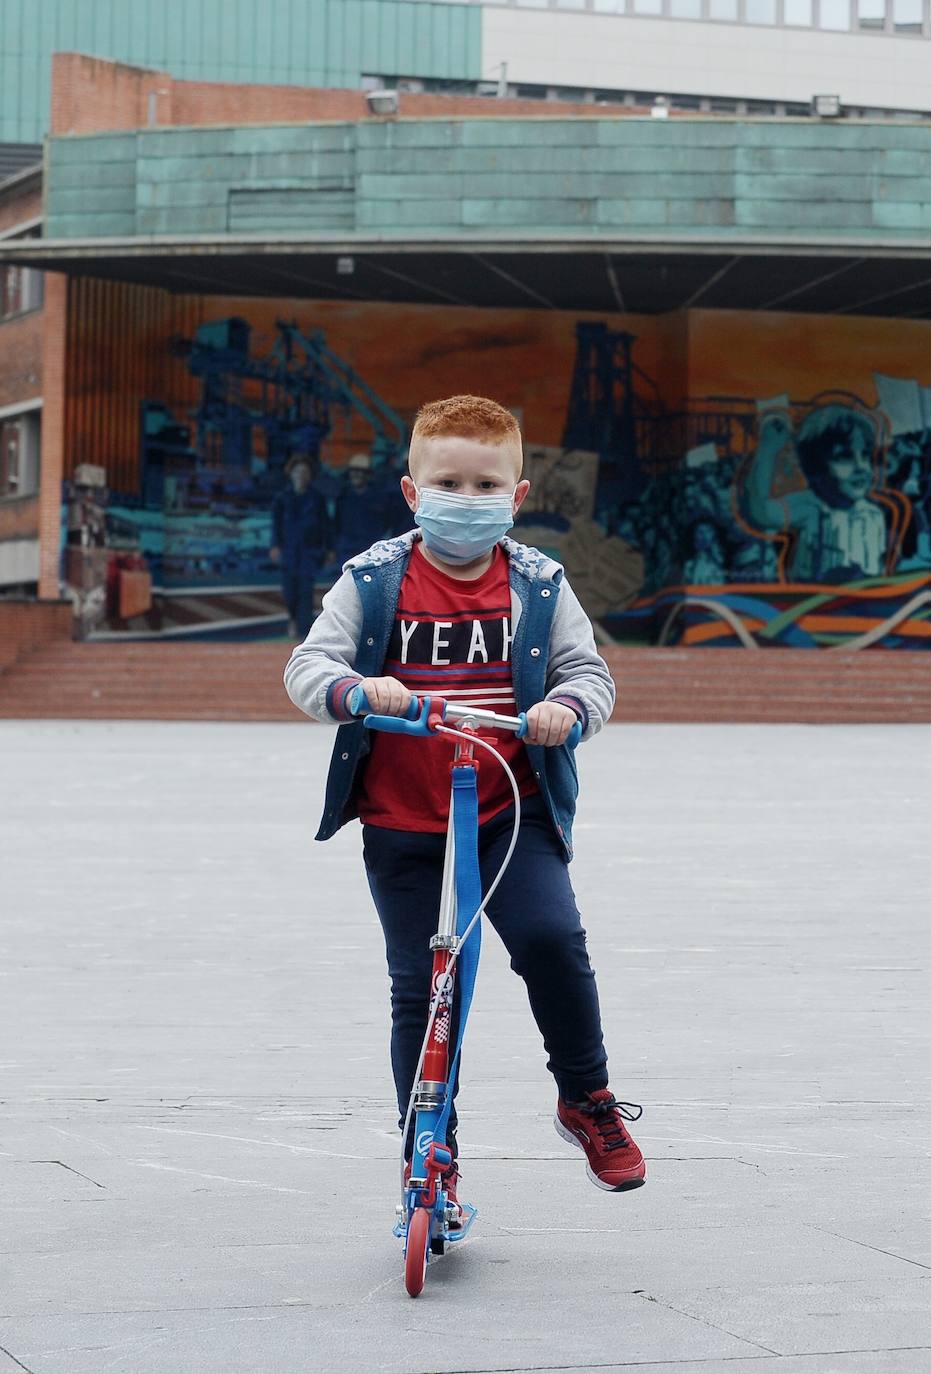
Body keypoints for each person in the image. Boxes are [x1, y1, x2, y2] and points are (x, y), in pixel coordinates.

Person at [284, 394, 645, 1219]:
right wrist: (355, 689)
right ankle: (428, 1150)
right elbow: (308, 668)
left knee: (553, 941)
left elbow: (590, 675)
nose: (466, 498)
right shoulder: (372, 579)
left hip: (507, 814)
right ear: (412, 491)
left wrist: (568, 711)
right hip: (403, 821)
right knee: (420, 985)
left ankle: (584, 1097)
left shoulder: (540, 584)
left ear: (516, 498)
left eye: (486, 486)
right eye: (446, 481)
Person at [742, 404, 886, 582]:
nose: (860, 467)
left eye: (864, 455)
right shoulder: (810, 507)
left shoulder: (873, 515)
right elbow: (760, 511)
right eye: (844, 457)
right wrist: (768, 449)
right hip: (815, 603)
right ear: (816, 468)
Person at [270, 456, 329, 638]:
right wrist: (275, 546)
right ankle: (292, 619)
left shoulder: (317, 498)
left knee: (305, 591)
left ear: (310, 476)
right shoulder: (282, 498)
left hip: (309, 552)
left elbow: (325, 525)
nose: (301, 475)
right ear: (291, 474)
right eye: (297, 471)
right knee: (289, 591)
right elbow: (276, 525)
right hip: (288, 551)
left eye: (305, 472)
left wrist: (329, 549)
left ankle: (304, 633)